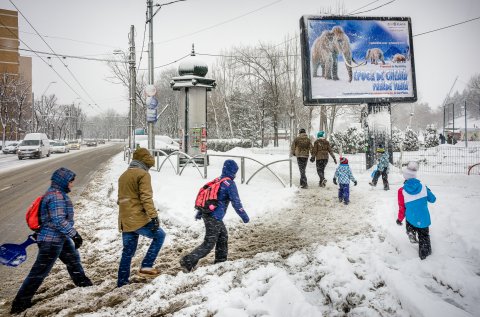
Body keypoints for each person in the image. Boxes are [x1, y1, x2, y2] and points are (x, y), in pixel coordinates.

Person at [11, 168, 92, 314]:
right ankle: (19, 304)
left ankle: (85, 285)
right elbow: (58, 219)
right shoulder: (57, 196)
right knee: (39, 272)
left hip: (59, 238)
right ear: (63, 182)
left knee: (73, 261)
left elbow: (49, 218)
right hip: (52, 240)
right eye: (71, 181)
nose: (72, 184)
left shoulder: (54, 193)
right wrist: (75, 234)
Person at [180, 159, 250, 272]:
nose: (235, 174)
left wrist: (200, 212)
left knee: (223, 236)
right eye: (235, 171)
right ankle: (188, 260)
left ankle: (220, 261)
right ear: (232, 171)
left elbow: (208, 198)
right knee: (209, 243)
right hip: (214, 217)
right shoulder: (229, 184)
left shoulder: (218, 180)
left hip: (208, 214)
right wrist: (244, 217)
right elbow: (236, 203)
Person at [117, 148, 166, 287]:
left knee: (127, 252)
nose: (149, 169)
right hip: (137, 219)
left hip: (125, 220)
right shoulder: (143, 174)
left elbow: (121, 198)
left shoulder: (124, 175)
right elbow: (146, 198)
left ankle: (122, 282)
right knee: (160, 235)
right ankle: (146, 265)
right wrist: (154, 216)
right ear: (145, 163)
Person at [396, 161, 436, 260]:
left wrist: (399, 219)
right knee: (424, 236)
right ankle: (425, 256)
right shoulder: (423, 187)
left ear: (405, 177)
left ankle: (411, 232)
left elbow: (402, 208)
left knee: (410, 220)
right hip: (423, 219)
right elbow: (433, 199)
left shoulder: (402, 191)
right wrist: (427, 190)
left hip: (411, 218)